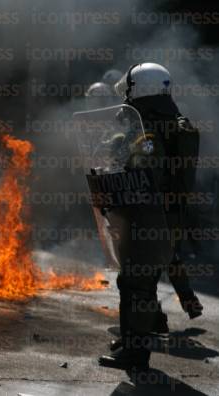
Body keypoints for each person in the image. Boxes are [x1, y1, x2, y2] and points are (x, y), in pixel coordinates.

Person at [99, 63, 203, 370]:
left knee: (135, 283)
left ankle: (135, 354)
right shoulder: (171, 123)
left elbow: (145, 177)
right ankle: (131, 340)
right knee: (140, 281)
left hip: (148, 218)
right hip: (164, 218)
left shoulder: (150, 135)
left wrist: (115, 179)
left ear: (140, 90)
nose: (126, 99)